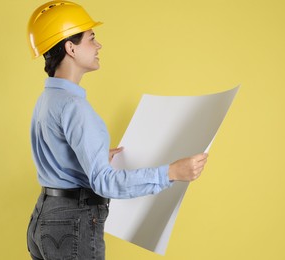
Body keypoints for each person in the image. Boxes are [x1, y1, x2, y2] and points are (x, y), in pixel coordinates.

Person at [26, 1, 208, 259]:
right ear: (71, 48)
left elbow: (55, 153)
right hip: (71, 225)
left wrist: (95, 156)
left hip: (43, 220)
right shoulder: (75, 107)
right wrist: (171, 172)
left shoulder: (47, 98)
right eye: (91, 38)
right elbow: (104, 183)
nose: (98, 45)